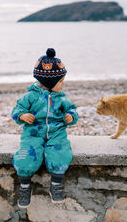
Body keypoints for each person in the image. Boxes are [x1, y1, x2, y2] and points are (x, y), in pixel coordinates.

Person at [11, 48, 78, 208]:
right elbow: (17, 109)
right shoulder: (31, 97)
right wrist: (22, 116)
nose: (63, 84)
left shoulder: (61, 99)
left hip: (56, 134)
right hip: (33, 133)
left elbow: (72, 109)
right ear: (49, 82)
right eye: (61, 81)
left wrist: (70, 116)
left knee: (61, 153)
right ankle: (25, 186)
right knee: (26, 156)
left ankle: (56, 184)